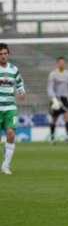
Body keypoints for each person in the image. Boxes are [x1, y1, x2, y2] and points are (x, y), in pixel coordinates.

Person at [0, 43, 26, 175]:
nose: (3, 56)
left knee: (11, 134)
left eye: (5, 53)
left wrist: (22, 92)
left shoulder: (14, 69)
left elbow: (19, 82)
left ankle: (5, 165)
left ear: (8, 54)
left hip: (10, 107)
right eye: (1, 54)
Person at [47, 56, 68, 144]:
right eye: (60, 62)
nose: (62, 64)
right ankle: (52, 137)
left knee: (67, 117)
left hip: (65, 98)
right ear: (57, 63)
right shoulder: (53, 74)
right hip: (56, 98)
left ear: (64, 63)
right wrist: (54, 99)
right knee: (54, 118)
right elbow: (50, 88)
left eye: (63, 62)